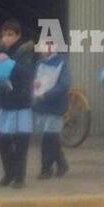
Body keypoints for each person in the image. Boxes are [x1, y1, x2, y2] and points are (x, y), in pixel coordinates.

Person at [0, 19, 36, 189]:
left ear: (18, 35)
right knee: (1, 137)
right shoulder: (0, 51)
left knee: (21, 140)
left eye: (10, 34)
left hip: (21, 101)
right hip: (6, 100)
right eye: (4, 34)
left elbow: (27, 73)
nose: (6, 37)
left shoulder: (25, 51)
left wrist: (8, 62)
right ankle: (9, 171)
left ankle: (19, 176)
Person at [33, 45, 71, 180]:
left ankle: (46, 168)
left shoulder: (61, 62)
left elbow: (64, 84)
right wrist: (34, 85)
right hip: (42, 104)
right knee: (50, 136)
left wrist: (47, 95)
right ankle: (61, 163)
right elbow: (35, 79)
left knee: (49, 137)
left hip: (55, 105)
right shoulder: (40, 62)